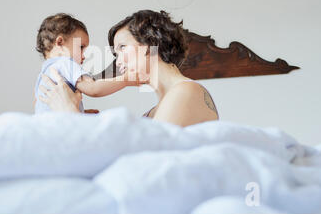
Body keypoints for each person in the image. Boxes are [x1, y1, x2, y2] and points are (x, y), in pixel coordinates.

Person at [39, 10, 219, 128]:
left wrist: (69, 116)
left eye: (122, 47)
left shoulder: (186, 91)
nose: (118, 63)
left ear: (149, 44)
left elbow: (146, 165)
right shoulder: (158, 108)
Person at [34, 13, 138, 114]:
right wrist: (126, 79)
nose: (84, 55)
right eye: (81, 47)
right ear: (60, 42)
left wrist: (81, 113)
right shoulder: (65, 63)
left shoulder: (44, 73)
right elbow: (93, 88)